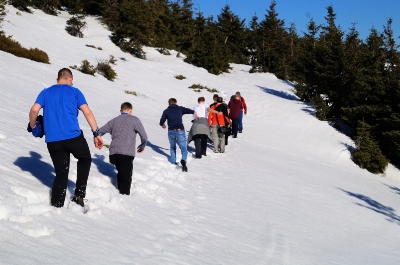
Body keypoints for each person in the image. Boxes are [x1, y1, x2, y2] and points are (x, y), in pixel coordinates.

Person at [28, 68, 104, 208]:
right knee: (85, 158)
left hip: (53, 141)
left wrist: (33, 125)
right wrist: (96, 133)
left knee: (61, 173)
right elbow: (87, 112)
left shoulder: (46, 92)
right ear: (71, 79)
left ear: (57, 80)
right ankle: (79, 194)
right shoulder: (75, 91)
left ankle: (57, 204)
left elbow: (34, 110)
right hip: (73, 137)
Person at [98, 102, 148, 195]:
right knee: (126, 178)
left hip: (113, 154)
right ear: (130, 110)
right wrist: (142, 146)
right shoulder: (134, 120)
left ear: (121, 111)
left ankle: (119, 193)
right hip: (126, 153)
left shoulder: (114, 120)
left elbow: (100, 131)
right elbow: (144, 136)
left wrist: (98, 140)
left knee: (121, 173)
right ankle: (124, 197)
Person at [159, 98, 198, 172]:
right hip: (180, 130)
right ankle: (183, 160)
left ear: (169, 104)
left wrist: (163, 125)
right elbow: (188, 110)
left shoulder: (166, 111)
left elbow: (161, 121)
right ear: (176, 102)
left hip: (171, 131)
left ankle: (173, 162)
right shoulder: (180, 109)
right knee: (184, 148)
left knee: (172, 147)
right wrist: (194, 112)